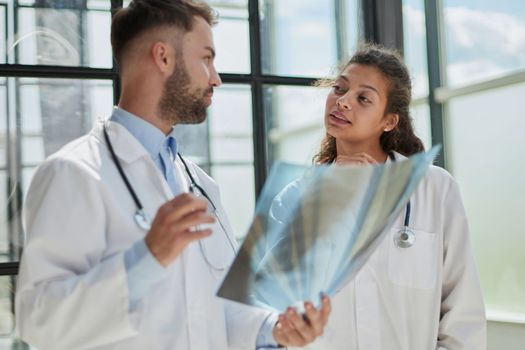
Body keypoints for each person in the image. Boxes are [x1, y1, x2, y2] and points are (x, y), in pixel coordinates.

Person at [15, 1, 330, 349]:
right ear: (163, 57)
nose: (216, 78)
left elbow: (221, 307)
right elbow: (38, 321)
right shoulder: (73, 172)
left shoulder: (199, 183)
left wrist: (274, 328)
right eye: (207, 58)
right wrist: (147, 258)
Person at [272, 44, 486, 349]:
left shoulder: (434, 188)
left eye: (363, 98)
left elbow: (463, 316)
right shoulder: (294, 197)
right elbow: (273, 309)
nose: (342, 102)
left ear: (389, 121)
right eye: (339, 88)